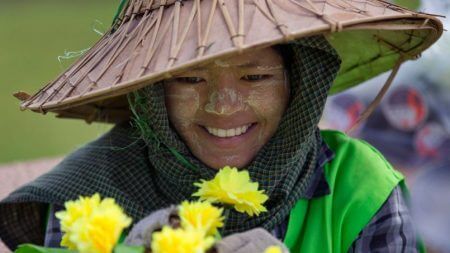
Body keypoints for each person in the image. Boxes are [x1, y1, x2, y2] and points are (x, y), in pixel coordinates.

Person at [0, 0, 443, 252]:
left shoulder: (357, 187)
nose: (223, 104)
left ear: (298, 86)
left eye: (255, 77)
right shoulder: (86, 195)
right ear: (152, 95)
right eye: (190, 78)